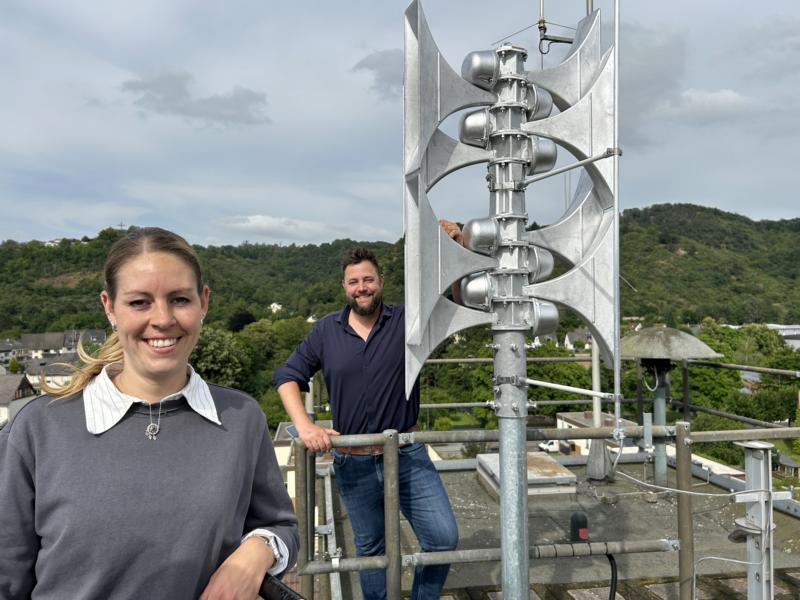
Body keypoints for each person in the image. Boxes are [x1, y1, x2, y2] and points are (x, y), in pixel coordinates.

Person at [0, 227, 299, 600]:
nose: (162, 319)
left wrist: (256, 553)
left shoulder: (241, 418)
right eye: (139, 302)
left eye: (179, 300)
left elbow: (280, 526)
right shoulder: (38, 429)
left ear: (203, 302)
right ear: (109, 307)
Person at [274, 246, 458, 600]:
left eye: (368, 279)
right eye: (354, 281)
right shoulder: (327, 330)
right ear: (344, 287)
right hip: (353, 461)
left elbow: (453, 302)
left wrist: (454, 248)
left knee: (443, 538)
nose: (362, 287)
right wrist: (306, 426)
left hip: (407, 455)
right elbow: (287, 375)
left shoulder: (407, 322)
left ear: (381, 282)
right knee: (371, 551)